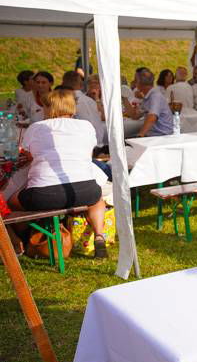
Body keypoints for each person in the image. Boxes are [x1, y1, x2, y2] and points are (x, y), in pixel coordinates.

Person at [8, 89, 109, 258]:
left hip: (44, 195)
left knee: (11, 202)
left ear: (50, 108)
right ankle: (99, 236)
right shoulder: (86, 126)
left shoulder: (37, 127)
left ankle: (24, 240)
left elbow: (28, 154)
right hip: (84, 190)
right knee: (97, 200)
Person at [60, 71, 106, 147]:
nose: (93, 85)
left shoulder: (65, 100)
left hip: (82, 145)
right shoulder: (89, 100)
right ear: (82, 85)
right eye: (90, 83)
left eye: (96, 83)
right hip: (97, 143)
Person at [128, 70, 174, 137]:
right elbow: (135, 116)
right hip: (154, 135)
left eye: (135, 81)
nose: (134, 83)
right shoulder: (148, 96)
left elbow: (152, 117)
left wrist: (140, 136)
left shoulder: (155, 96)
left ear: (139, 83)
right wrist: (124, 98)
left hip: (162, 137)